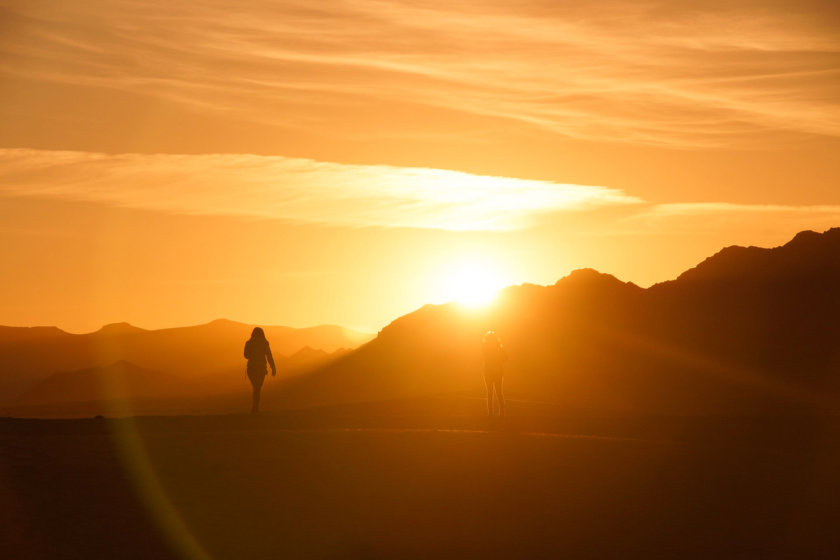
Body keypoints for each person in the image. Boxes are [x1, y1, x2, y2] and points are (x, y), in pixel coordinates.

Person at [244, 327, 276, 414]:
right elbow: (269, 356)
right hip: (261, 368)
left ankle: (255, 408)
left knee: (255, 387)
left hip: (251, 368)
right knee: (258, 388)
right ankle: (255, 408)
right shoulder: (265, 343)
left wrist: (253, 355)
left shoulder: (248, 343)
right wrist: (273, 368)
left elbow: (246, 355)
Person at [482, 331, 507, 418]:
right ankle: (501, 413)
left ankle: (491, 414)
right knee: (498, 392)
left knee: (490, 393)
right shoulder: (498, 348)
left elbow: (504, 357)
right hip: (496, 371)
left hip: (490, 371)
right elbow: (505, 358)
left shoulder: (486, 347)